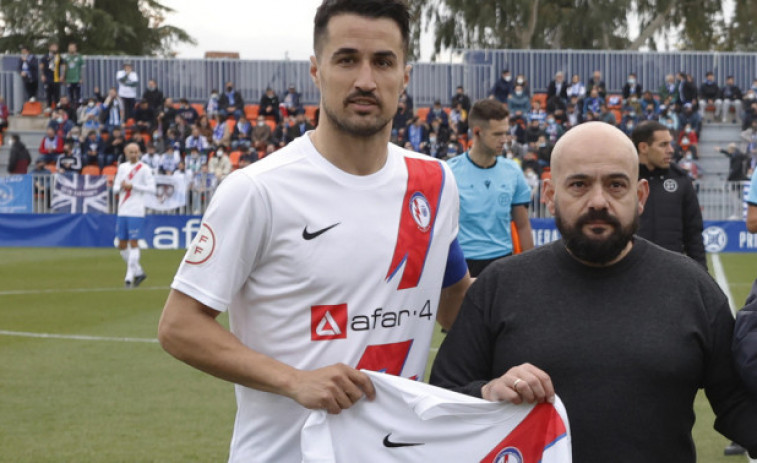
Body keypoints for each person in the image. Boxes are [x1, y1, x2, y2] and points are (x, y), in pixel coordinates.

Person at [157, 1, 472, 461]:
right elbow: (178, 326)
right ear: (315, 70)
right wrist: (295, 380)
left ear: (405, 77)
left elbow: (455, 299)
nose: (365, 79)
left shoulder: (435, 182)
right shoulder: (257, 190)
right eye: (347, 59)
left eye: (383, 61)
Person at [430, 121, 757, 462]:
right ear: (550, 195)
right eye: (579, 185)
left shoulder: (693, 288)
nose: (598, 201)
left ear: (640, 195)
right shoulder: (500, 285)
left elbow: (735, 402)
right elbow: (441, 398)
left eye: (616, 185)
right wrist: (487, 393)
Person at [447, 99, 534, 277]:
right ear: (477, 133)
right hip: (463, 264)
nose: (505, 140)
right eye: (498, 134)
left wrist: (531, 272)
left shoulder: (513, 171)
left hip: (502, 262)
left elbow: (523, 226)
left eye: (506, 133)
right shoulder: (450, 172)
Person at [631, 120, 707, 269]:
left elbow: (693, 234)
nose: (671, 150)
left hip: (671, 273)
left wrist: (702, 273)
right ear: (643, 147)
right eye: (663, 145)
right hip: (630, 273)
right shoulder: (624, 180)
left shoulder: (681, 179)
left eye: (670, 144)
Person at [112, 143, 156, 288]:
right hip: (122, 209)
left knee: (134, 242)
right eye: (131, 152)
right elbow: (115, 189)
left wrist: (134, 186)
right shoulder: (123, 168)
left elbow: (152, 188)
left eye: (136, 152)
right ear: (126, 152)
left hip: (136, 210)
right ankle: (139, 272)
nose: (133, 154)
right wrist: (122, 187)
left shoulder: (144, 169)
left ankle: (129, 277)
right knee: (121, 244)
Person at [39, 42, 63, 108]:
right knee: (48, 94)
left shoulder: (59, 56)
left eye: (55, 47)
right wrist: (42, 75)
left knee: (57, 95)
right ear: (49, 48)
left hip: (56, 78)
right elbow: (41, 66)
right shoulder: (45, 57)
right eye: (53, 47)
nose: (54, 48)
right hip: (48, 78)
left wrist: (62, 75)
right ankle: (49, 107)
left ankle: (57, 108)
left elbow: (63, 66)